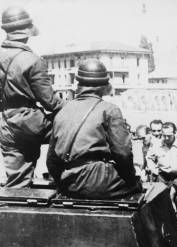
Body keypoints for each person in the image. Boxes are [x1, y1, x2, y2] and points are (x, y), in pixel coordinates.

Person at [46, 59, 141, 199]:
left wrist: (63, 183)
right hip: (97, 180)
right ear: (104, 85)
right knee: (139, 186)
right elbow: (123, 154)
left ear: (79, 83)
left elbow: (51, 160)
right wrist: (131, 178)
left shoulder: (63, 111)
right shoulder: (110, 110)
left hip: (68, 182)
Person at [0, 6, 63, 187]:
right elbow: (50, 102)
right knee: (71, 128)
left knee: (17, 181)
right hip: (29, 122)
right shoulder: (33, 60)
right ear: (27, 31)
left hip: (4, 123)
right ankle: (61, 176)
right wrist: (74, 107)